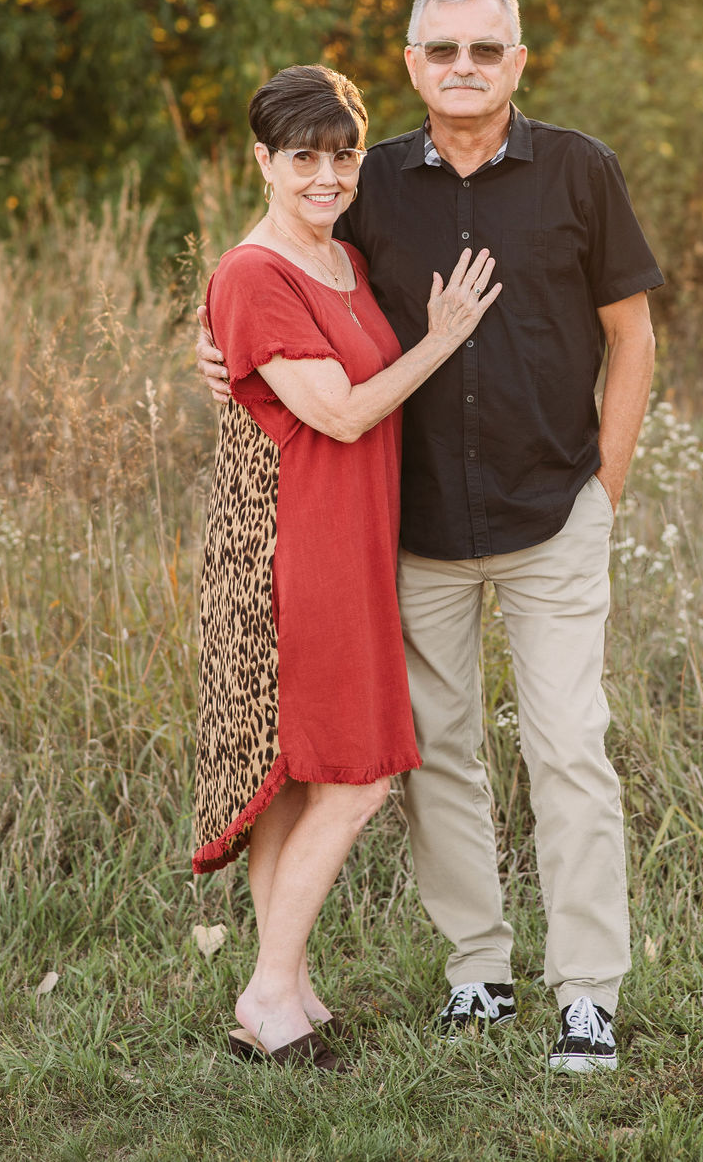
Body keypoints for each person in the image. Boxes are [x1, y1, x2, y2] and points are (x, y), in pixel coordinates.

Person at [196, 0, 663, 1074]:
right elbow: (281, 255)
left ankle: (587, 990)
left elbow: (633, 335)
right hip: (410, 530)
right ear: (410, 64)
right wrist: (209, 342)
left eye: (484, 49)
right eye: (441, 48)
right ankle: (477, 973)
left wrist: (607, 481)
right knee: (438, 755)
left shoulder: (578, 170)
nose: (464, 65)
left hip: (553, 511)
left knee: (568, 749)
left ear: (516, 60)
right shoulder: (368, 179)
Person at [193, 62, 500, 1071]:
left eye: (342, 155)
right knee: (359, 773)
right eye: (303, 158)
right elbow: (340, 410)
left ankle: (286, 987)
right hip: (297, 551)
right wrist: (444, 337)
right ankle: (268, 988)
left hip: (349, 536)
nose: (326, 176)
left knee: (296, 778)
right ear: (262, 163)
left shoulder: (340, 261)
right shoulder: (256, 271)